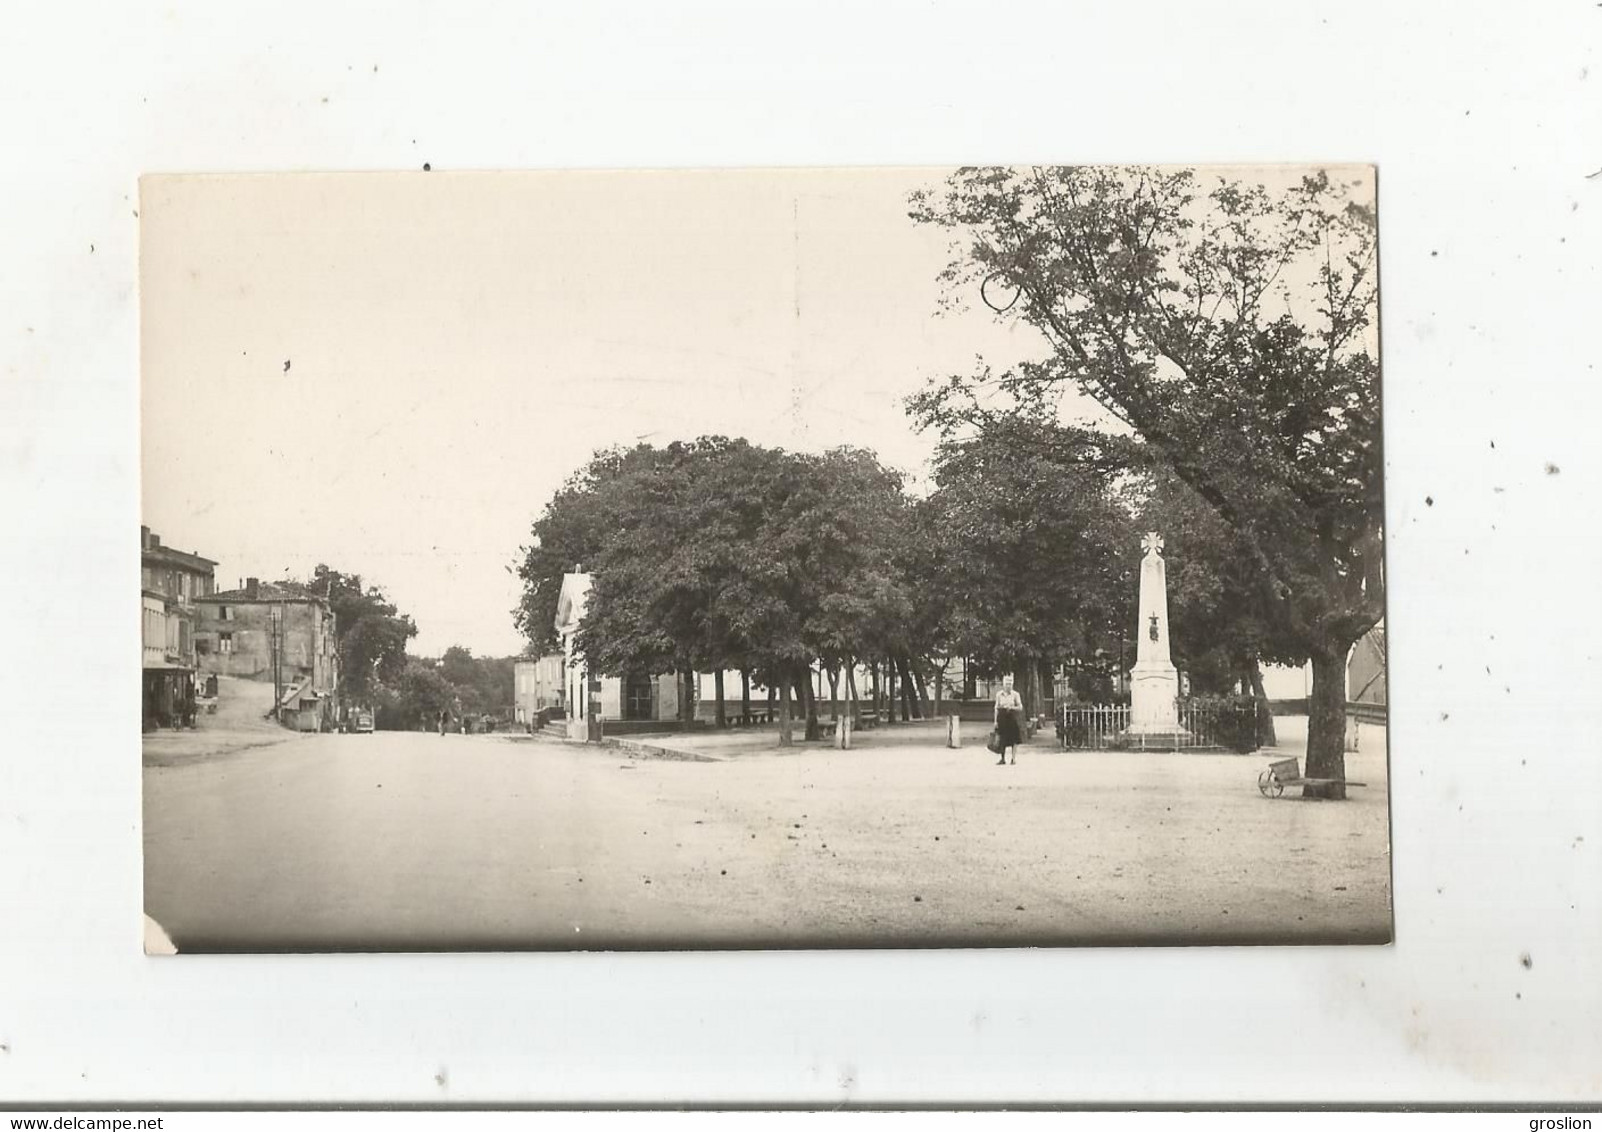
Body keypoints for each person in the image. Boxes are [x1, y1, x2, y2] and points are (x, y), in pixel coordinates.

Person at [994, 674, 1024, 766]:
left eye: (1010, 683)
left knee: (1014, 739)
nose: (1008, 685)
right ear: (1003, 684)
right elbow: (996, 708)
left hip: (1011, 717)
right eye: (1007, 683)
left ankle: (1013, 758)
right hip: (1002, 718)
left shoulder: (1015, 694)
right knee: (1002, 738)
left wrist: (1012, 707)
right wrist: (995, 721)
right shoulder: (999, 694)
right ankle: (1002, 758)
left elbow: (1020, 707)